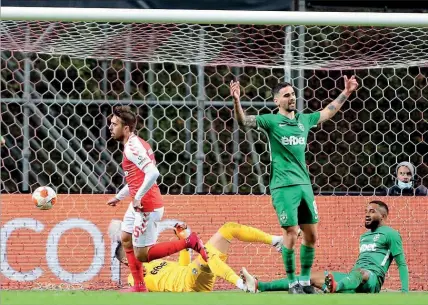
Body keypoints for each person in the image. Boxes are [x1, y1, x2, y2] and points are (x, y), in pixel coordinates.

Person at [230, 75, 359, 293]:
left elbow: (328, 111)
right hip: (282, 186)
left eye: (293, 94)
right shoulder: (270, 121)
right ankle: (292, 283)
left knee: (311, 235)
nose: (292, 98)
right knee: (290, 232)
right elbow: (244, 122)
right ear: (276, 101)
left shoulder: (304, 120)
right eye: (286, 95)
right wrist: (236, 101)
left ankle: (306, 281)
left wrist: (346, 92)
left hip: (304, 185)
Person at [106, 106, 208, 293]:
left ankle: (189, 241)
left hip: (147, 205)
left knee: (143, 254)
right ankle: (139, 286)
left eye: (114, 124)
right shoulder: (135, 144)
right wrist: (119, 197)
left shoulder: (132, 148)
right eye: (111, 124)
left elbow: (153, 173)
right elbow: (136, 179)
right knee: (125, 237)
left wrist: (137, 198)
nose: (110, 128)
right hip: (137, 202)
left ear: (127, 128)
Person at [243, 200, 409, 294]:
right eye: (366, 211)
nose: (367, 214)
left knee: (361, 273)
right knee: (308, 277)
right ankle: (260, 285)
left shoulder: (391, 234)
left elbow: (401, 263)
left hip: (372, 280)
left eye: (372, 211)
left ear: (383, 215)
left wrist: (405, 291)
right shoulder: (364, 236)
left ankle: (334, 287)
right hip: (353, 278)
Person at [111, 219, 283, 292]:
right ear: (126, 259)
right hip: (188, 285)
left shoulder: (154, 261)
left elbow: (182, 268)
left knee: (228, 228)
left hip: (191, 274)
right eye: (133, 248)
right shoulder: (133, 279)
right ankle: (244, 285)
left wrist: (183, 244)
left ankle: (275, 241)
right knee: (207, 254)